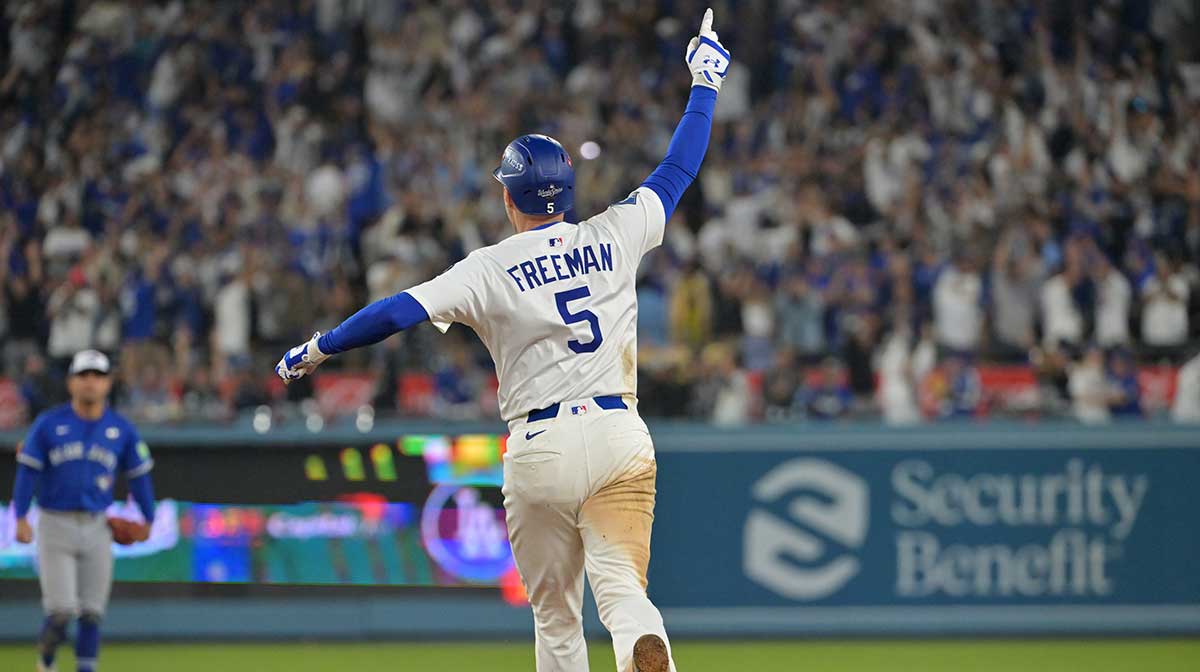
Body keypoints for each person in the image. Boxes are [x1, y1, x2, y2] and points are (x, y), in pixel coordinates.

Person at [274, 10, 730, 672]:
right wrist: (705, 80)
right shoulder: (613, 233)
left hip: (540, 446)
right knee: (625, 593)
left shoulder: (488, 267)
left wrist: (321, 347)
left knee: (555, 620)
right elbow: (679, 167)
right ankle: (639, 645)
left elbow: (398, 311)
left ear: (512, 200)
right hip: (617, 436)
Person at [11, 350, 157, 672]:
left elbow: (140, 476)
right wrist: (20, 516)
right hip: (54, 523)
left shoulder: (121, 429)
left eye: (97, 375)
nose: (90, 382)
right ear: (71, 382)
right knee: (61, 610)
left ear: (108, 383)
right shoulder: (49, 424)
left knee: (92, 612)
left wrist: (149, 518)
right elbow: (28, 471)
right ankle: (46, 662)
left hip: (97, 525)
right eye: (83, 375)